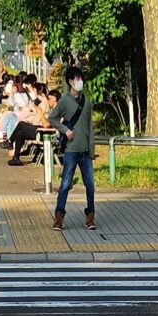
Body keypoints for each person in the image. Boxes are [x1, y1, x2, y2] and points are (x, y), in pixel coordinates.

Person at [50, 66, 97, 233]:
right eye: (77, 79)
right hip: (71, 149)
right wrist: (65, 130)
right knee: (65, 184)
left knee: (90, 185)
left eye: (80, 78)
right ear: (70, 82)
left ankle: (90, 216)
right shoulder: (64, 101)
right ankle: (59, 217)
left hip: (85, 150)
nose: (80, 82)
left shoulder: (87, 101)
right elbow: (52, 118)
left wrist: (92, 147)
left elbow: (90, 126)